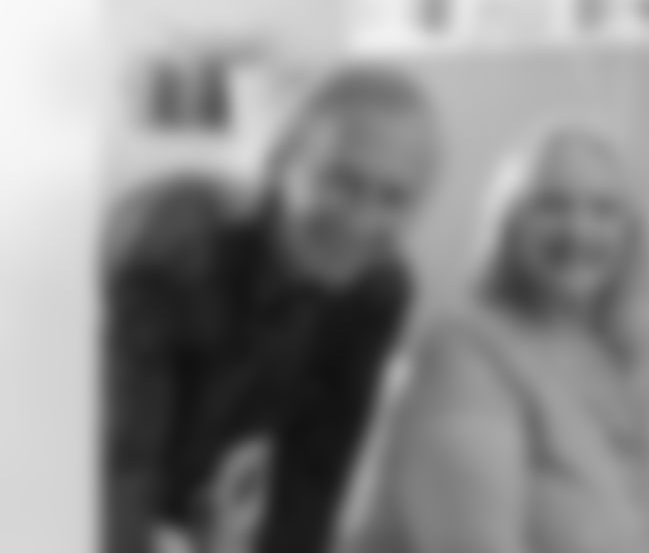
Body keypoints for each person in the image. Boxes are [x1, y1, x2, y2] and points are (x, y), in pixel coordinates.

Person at [104, 65, 438, 553]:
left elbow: (312, 476)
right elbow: (120, 464)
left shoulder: (377, 290)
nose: (362, 221)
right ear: (280, 162)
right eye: (342, 183)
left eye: (394, 198)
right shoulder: (177, 246)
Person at [350, 124, 649, 553]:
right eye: (551, 207)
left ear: (632, 229)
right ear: (507, 224)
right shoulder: (461, 353)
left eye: (605, 210)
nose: (579, 230)